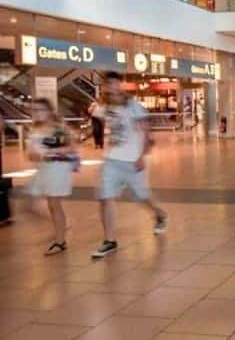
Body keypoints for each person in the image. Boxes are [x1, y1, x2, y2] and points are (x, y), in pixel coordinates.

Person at [92, 71, 168, 258]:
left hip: (132, 161)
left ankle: (159, 214)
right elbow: (96, 115)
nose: (112, 87)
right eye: (108, 84)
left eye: (115, 83)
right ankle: (110, 241)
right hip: (111, 160)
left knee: (141, 196)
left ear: (121, 85)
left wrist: (141, 155)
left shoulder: (133, 106)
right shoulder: (105, 106)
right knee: (105, 197)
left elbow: (146, 132)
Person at [25, 98, 78, 255]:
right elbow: (31, 154)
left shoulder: (58, 128)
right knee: (31, 206)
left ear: (49, 111)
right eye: (34, 110)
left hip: (57, 169)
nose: (37, 113)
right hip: (43, 170)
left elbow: (70, 147)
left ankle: (60, 241)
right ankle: (61, 227)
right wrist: (35, 154)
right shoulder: (34, 129)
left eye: (40, 109)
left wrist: (51, 152)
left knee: (54, 204)